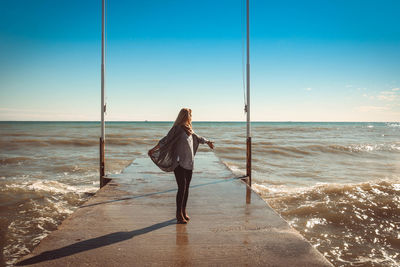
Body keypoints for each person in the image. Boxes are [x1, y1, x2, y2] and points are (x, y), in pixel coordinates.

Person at [148, 108, 214, 224]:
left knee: (186, 187)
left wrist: (208, 142)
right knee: (181, 187)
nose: (191, 117)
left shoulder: (189, 130)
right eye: (190, 115)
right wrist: (154, 149)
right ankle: (178, 214)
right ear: (185, 116)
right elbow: (165, 140)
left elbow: (198, 138)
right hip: (179, 162)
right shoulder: (177, 129)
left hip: (189, 162)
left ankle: (183, 211)